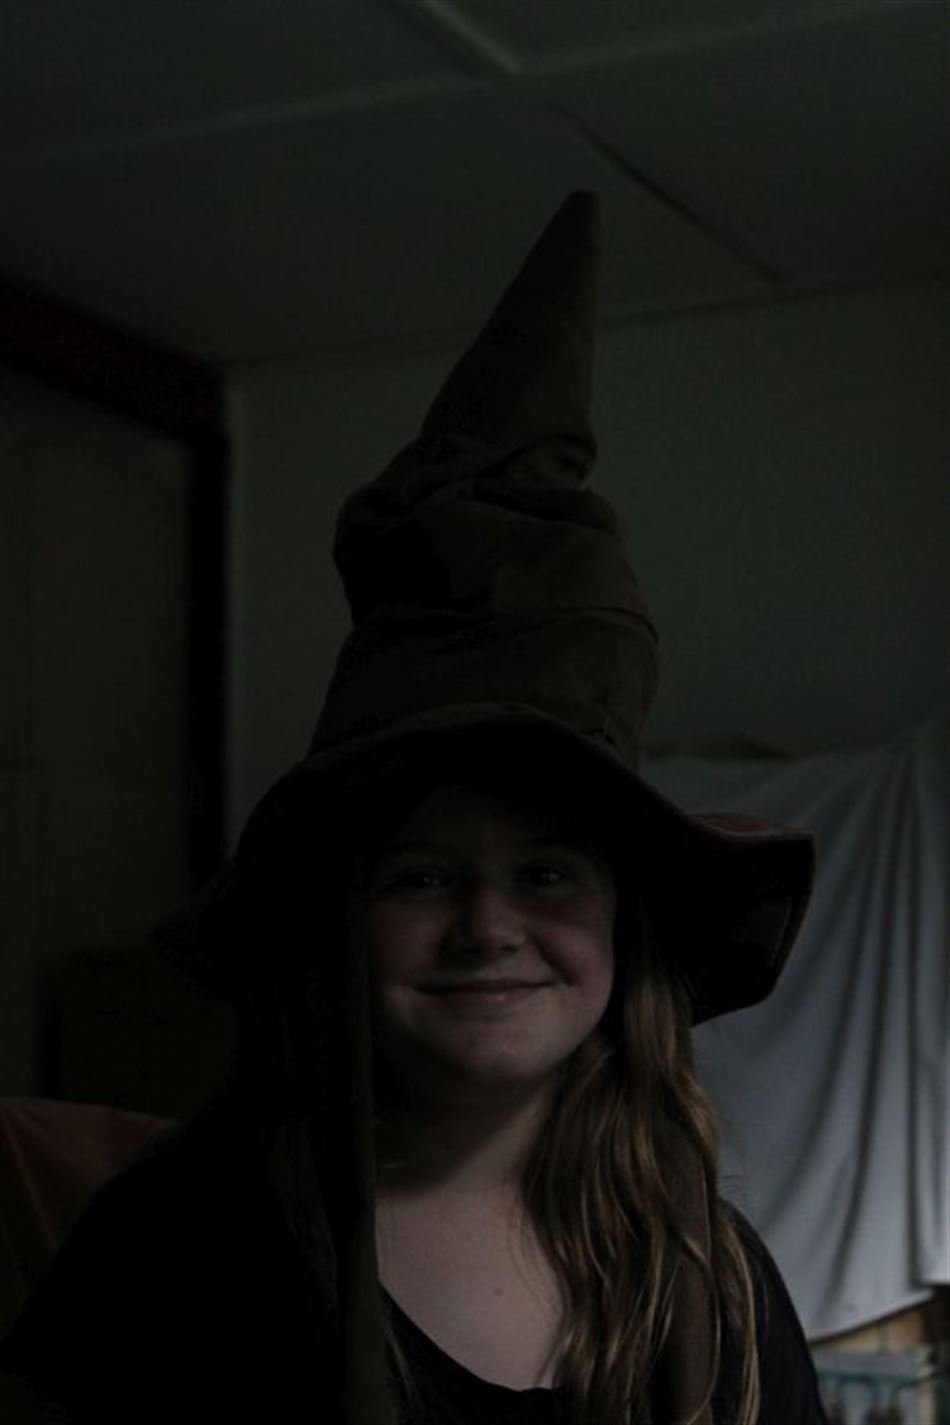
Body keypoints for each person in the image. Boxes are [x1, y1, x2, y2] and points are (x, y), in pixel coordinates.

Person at [0, 193, 828, 1424]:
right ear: (338, 917)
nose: (487, 926)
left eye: (546, 873)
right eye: (422, 876)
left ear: (625, 922)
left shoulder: (706, 1279)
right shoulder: (178, 1249)